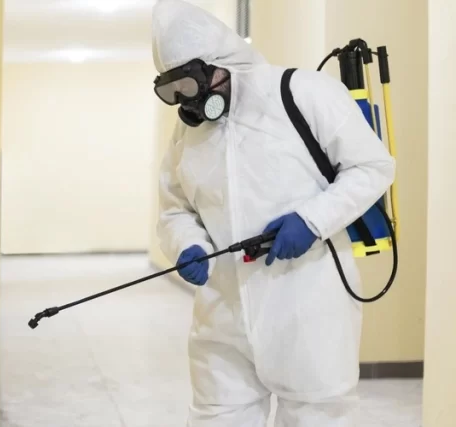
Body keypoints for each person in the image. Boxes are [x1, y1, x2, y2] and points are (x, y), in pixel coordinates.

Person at [151, 1, 396, 426]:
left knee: (316, 416)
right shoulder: (188, 135)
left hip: (307, 304)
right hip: (222, 315)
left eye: (191, 85)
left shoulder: (303, 93)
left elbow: (373, 167)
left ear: (221, 64)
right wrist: (188, 244)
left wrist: (312, 221)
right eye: (174, 92)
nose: (189, 103)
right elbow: (176, 209)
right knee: (215, 416)